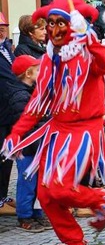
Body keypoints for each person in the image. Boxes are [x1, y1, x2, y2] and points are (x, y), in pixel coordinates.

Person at [1, 0, 105, 245]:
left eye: (59, 22)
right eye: (49, 23)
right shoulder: (51, 60)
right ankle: (74, 241)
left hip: (85, 130)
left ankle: (97, 198)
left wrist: (90, 39)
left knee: (61, 188)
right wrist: (16, 135)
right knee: (46, 193)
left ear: (73, 24)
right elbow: (37, 104)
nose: (52, 29)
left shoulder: (87, 51)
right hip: (58, 130)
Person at [5, 55, 52, 232]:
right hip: (27, 146)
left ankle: (37, 214)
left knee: (38, 181)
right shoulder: (19, 96)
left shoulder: (32, 91)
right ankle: (24, 216)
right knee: (27, 182)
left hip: (37, 144)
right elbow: (26, 123)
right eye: (38, 70)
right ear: (28, 73)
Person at [0, 12, 17, 216]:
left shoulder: (8, 49)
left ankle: (3, 196)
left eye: (4, 25)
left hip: (9, 111)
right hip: (2, 110)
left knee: (7, 156)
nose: (2, 28)